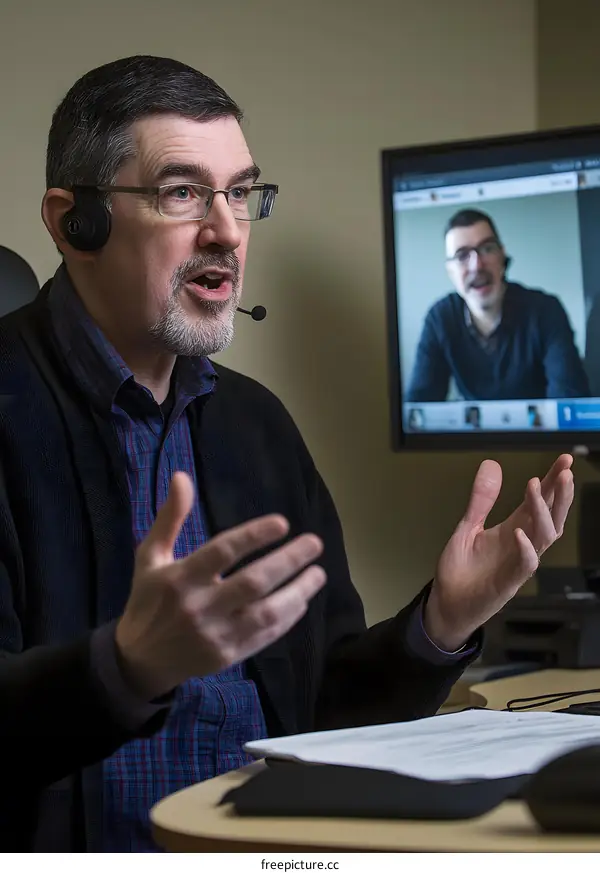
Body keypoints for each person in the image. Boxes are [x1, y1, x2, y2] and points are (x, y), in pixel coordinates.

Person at [0, 56, 574, 851]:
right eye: (183, 193)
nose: (228, 231)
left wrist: (442, 623)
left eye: (239, 193)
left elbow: (325, 711)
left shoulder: (255, 424)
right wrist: (124, 667)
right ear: (73, 222)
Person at [407, 208, 591, 402]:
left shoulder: (546, 311)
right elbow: (419, 407)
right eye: (462, 256)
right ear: (450, 272)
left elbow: (571, 402)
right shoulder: (440, 319)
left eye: (487, 249)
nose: (476, 266)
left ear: (502, 257)